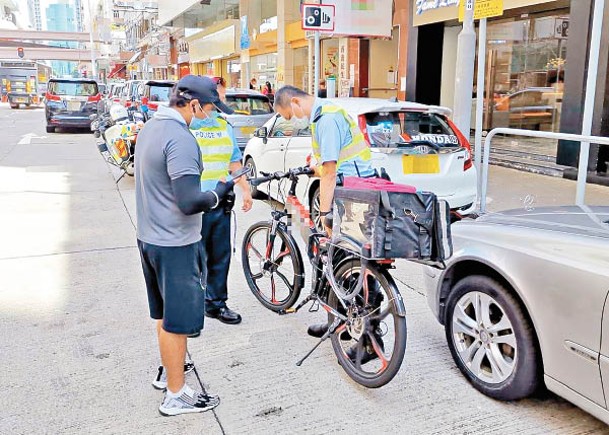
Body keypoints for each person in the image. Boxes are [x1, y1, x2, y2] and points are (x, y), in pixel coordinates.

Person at [135, 74, 235, 416]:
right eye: (208, 108)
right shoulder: (180, 139)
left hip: (150, 238)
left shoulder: (150, 128)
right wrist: (217, 194)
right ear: (193, 104)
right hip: (175, 244)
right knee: (179, 322)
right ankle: (176, 395)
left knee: (165, 316)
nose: (208, 114)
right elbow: (190, 201)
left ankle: (169, 373)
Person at [273, 86, 380, 361]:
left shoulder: (327, 118)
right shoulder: (322, 115)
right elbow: (327, 162)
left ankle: (369, 339)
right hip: (351, 189)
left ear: (295, 102)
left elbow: (331, 172)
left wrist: (325, 212)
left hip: (354, 194)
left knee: (355, 267)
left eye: (288, 115)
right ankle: (337, 320)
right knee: (330, 258)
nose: (292, 121)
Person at [190, 77, 253, 325]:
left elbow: (234, 161)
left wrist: (246, 190)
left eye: (223, 97)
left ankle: (215, 304)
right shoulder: (187, 126)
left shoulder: (225, 126)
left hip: (221, 202)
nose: (222, 102)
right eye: (218, 98)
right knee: (193, 258)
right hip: (194, 204)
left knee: (220, 256)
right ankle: (191, 304)